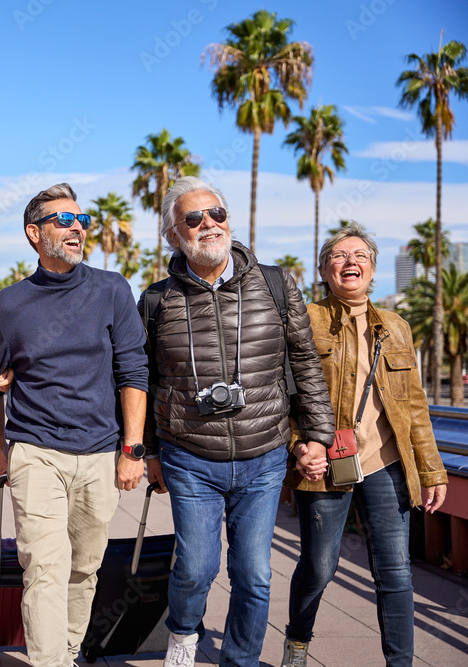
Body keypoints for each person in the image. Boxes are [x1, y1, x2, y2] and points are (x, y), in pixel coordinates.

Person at [139, 176, 334, 667]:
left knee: (254, 573)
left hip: (264, 454)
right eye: (193, 218)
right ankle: (183, 633)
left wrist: (317, 436)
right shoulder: (157, 300)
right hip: (190, 456)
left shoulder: (274, 283)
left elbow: (305, 360)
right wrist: (149, 452)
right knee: (196, 569)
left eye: (217, 214)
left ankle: (242, 660)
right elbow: (142, 379)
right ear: (173, 236)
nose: (209, 224)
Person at [0, 183, 149, 667]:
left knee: (84, 568)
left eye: (82, 220)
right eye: (64, 220)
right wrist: (2, 452)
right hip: (36, 452)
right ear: (34, 234)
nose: (77, 228)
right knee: (44, 568)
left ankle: (69, 651)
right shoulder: (10, 304)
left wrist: (132, 449)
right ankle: (49, 661)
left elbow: (133, 370)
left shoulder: (112, 289)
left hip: (100, 452)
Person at [282, 224, 448, 667]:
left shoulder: (396, 327)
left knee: (394, 572)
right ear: (323, 269)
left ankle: (400, 663)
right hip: (323, 462)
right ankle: (298, 641)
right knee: (319, 567)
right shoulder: (305, 320)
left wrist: (432, 471)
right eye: (337, 255)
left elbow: (414, 406)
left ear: (373, 270)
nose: (349, 261)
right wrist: (300, 446)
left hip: (386, 462)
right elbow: (283, 397)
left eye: (359, 255)